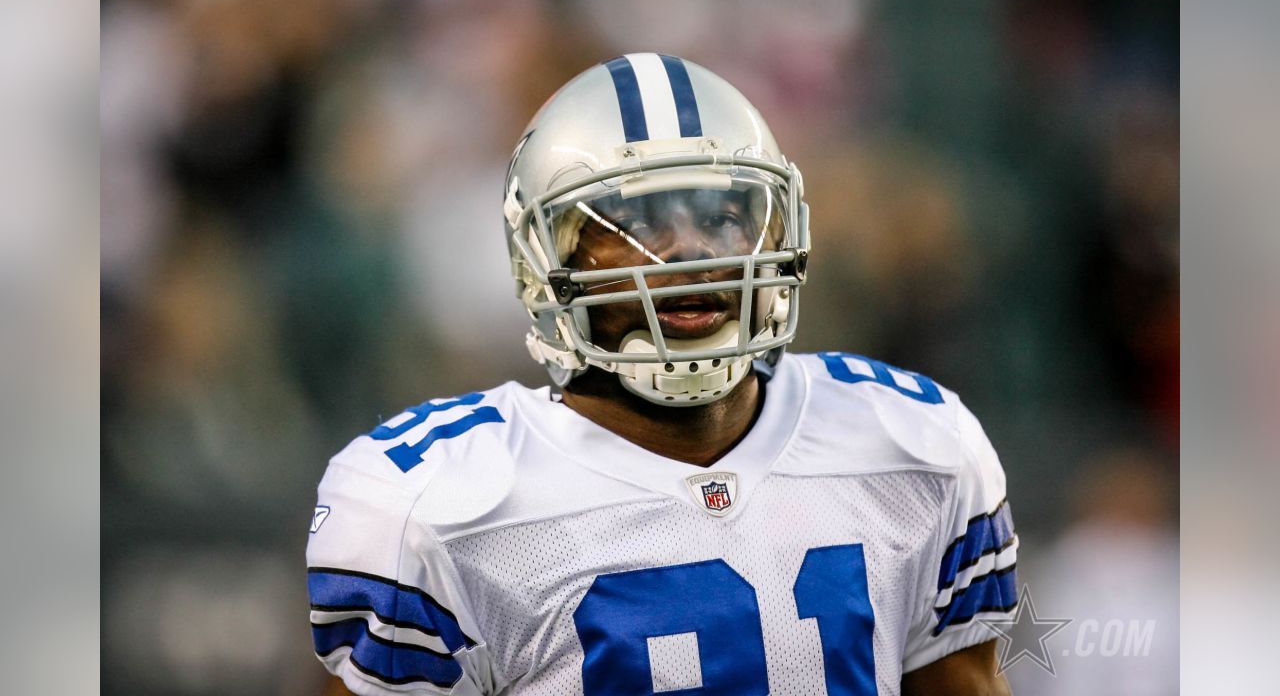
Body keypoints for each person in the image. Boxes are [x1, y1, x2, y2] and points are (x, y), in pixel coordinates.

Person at [307, 53, 1018, 695]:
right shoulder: (435, 504)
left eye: (725, 213)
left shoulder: (914, 443)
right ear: (543, 261)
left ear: (781, 229)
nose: (688, 250)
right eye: (630, 223)